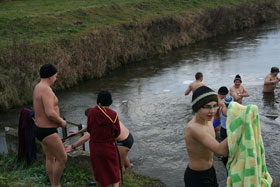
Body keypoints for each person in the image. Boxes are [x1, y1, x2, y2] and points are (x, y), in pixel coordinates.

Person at [184, 86, 228, 187]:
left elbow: (220, 103)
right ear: (197, 107)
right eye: (207, 107)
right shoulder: (194, 127)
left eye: (214, 106)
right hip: (197, 177)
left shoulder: (208, 120)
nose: (212, 111)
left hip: (210, 170)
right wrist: (239, 128)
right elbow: (220, 151)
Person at [33, 64, 67, 187]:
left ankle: (53, 183)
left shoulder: (38, 87)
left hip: (40, 129)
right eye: (55, 76)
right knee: (62, 158)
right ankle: (56, 185)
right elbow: (50, 113)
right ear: (50, 76)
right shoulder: (46, 89)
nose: (56, 78)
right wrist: (61, 122)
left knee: (50, 157)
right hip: (47, 131)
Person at [66, 121, 134, 172]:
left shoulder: (99, 125)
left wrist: (72, 146)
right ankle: (130, 169)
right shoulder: (106, 117)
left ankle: (124, 180)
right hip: (128, 137)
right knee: (123, 155)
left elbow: (86, 137)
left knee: (120, 166)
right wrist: (78, 132)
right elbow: (89, 127)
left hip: (122, 142)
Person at [87, 90, 121, 187]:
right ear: (110, 101)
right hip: (108, 147)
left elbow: (89, 129)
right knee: (114, 175)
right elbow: (117, 133)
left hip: (95, 148)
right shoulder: (113, 115)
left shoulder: (91, 112)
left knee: (99, 175)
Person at [219, 95, 233, 169]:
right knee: (230, 146)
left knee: (224, 146)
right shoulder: (232, 111)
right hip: (229, 131)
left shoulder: (221, 108)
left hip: (222, 129)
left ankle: (224, 158)